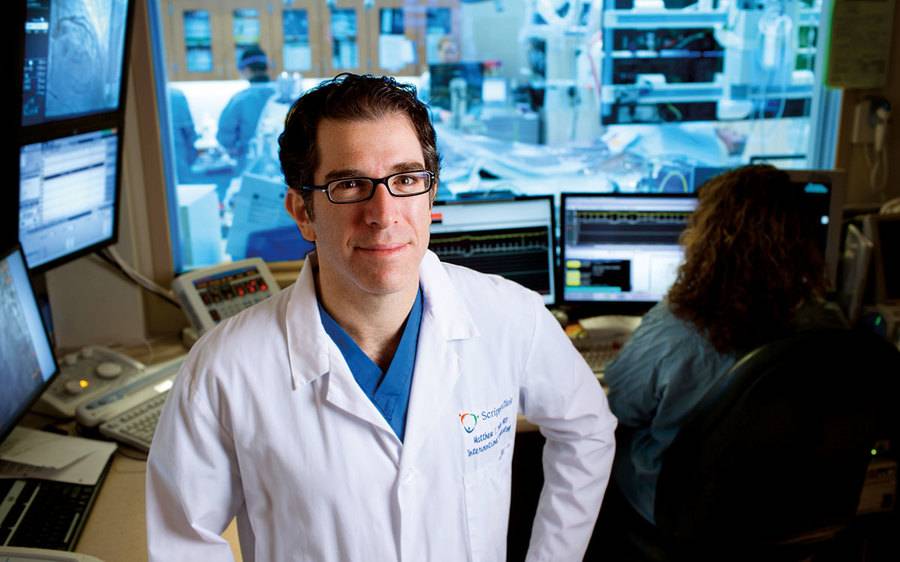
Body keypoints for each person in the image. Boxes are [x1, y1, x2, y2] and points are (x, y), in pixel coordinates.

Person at [146, 73, 616, 561]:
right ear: (302, 212)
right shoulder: (226, 368)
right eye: (350, 184)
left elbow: (587, 430)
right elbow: (182, 539)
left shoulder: (509, 316)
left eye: (407, 179)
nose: (384, 212)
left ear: (430, 197)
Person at [601, 164, 848, 527]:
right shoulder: (828, 326)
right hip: (784, 509)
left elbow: (617, 409)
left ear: (706, 237)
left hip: (684, 512)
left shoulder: (676, 325)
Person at [216, 45, 276, 174]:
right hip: (284, 169)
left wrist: (236, 149)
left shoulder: (239, 100)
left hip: (249, 168)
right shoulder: (284, 96)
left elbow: (225, 139)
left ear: (246, 70)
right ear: (267, 67)